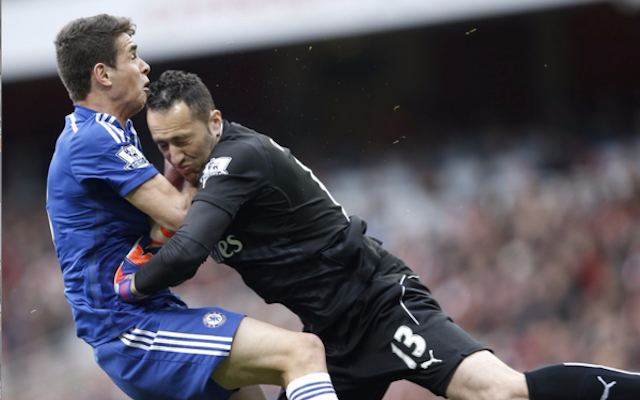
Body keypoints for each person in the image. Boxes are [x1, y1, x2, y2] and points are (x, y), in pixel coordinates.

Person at [120, 69, 640, 400]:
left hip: (378, 303)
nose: (174, 157)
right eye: (162, 146)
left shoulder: (238, 159)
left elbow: (187, 254)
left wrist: (125, 285)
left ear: (214, 120)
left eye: (183, 141)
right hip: (330, 336)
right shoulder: (201, 173)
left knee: (499, 393)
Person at [46, 14, 342, 400]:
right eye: (132, 55)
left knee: (249, 392)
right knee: (302, 352)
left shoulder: (103, 133)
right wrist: (223, 163)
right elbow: (183, 217)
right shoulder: (94, 136)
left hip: (145, 315)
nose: (144, 65)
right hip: (129, 327)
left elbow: (163, 221)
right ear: (103, 74)